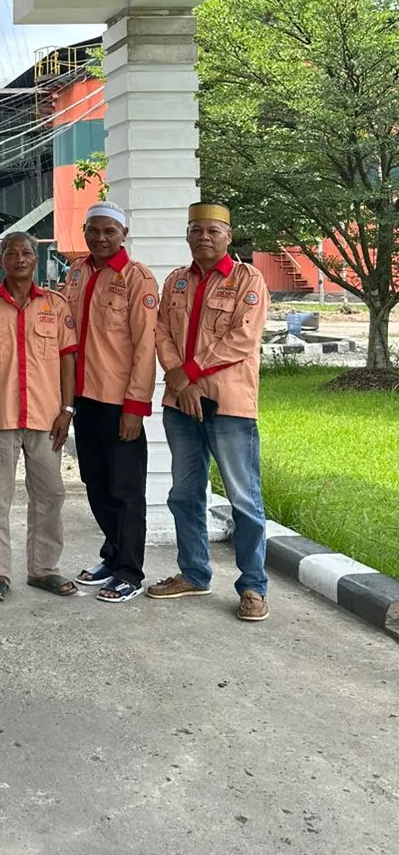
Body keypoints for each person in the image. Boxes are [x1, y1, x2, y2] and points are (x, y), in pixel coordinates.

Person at [149, 202, 271, 622]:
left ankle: (253, 586)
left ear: (228, 237)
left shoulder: (247, 280)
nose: (204, 237)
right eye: (196, 230)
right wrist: (179, 380)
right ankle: (194, 573)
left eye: (213, 231)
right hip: (180, 405)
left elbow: (243, 338)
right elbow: (161, 331)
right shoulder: (176, 281)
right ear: (187, 235)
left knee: (244, 499)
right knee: (184, 495)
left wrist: (188, 373)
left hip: (229, 406)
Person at [0, 230, 77, 603]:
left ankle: (43, 569)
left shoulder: (56, 305)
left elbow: (68, 359)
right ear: (1, 259)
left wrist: (67, 410)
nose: (20, 258)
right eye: (11, 253)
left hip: (46, 418)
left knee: (50, 495)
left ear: (36, 258)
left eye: (27, 252)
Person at [61, 204, 159, 603]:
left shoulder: (138, 279)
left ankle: (130, 572)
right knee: (95, 481)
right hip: (83, 397)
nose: (101, 238)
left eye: (110, 231)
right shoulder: (77, 272)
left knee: (126, 489)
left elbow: (146, 346)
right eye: (94, 230)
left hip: (119, 401)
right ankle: (113, 554)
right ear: (85, 231)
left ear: (124, 234)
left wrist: (136, 406)